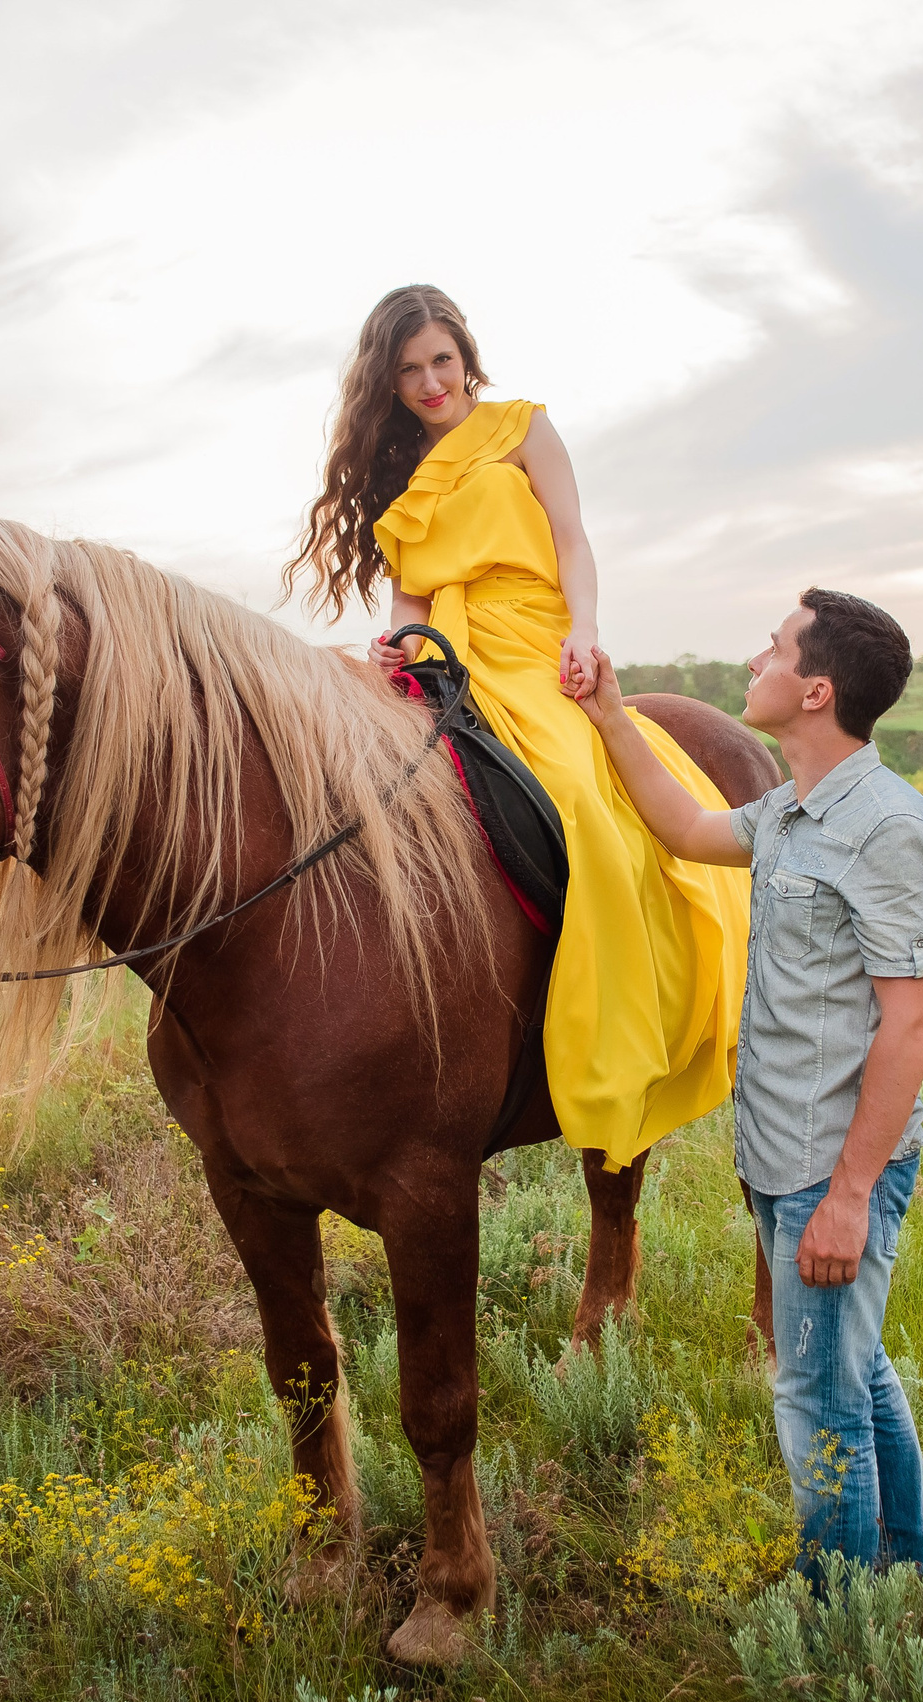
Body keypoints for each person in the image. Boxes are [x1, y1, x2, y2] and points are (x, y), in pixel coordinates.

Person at [290, 284, 751, 1173]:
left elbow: (573, 540)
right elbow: (410, 595)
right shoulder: (400, 476)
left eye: (442, 361)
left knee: (579, 790)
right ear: (388, 384)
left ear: (467, 358)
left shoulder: (523, 428)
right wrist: (393, 648)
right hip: (447, 646)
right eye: (410, 370)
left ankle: (632, 992)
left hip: (536, 635)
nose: (431, 382)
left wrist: (584, 628)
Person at [576, 589, 923, 1592]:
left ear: (815, 688)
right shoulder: (789, 810)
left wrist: (846, 1195)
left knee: (816, 1397)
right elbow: (685, 828)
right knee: (856, 1373)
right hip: (786, 1152)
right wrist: (612, 712)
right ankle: (911, 1570)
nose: (755, 657)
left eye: (773, 648)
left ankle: (838, 1610)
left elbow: (910, 1025)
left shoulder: (887, 828)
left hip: (832, 1164)